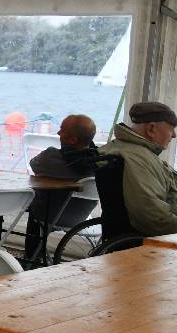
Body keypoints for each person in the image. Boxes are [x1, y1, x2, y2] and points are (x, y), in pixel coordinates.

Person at [23, 114, 98, 258]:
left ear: (73, 139)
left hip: (48, 215)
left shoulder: (50, 157)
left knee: (33, 208)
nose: (58, 133)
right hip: (81, 218)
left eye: (62, 130)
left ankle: (32, 257)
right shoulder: (98, 161)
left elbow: (33, 164)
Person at [99, 102, 177, 236]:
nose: (174, 135)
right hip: (158, 236)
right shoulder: (139, 159)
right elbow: (154, 218)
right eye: (171, 129)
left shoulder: (121, 148)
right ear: (151, 129)